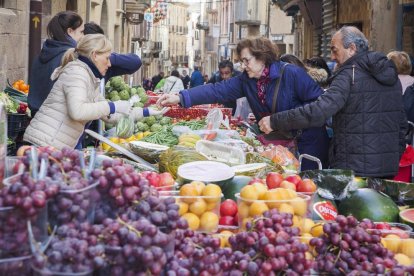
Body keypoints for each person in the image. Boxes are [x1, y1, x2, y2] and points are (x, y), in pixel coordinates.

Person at [158, 37, 329, 170]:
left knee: (308, 189)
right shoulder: (247, 80)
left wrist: (277, 120)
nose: (243, 65)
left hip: (309, 144)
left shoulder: (292, 74)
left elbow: (318, 107)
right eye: (241, 61)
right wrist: (181, 97)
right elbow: (217, 90)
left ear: (262, 57)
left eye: (247, 60)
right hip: (283, 145)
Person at [259, 26, 407, 178]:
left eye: (335, 50)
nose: (332, 57)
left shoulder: (349, 75)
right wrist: (392, 157)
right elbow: (402, 123)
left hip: (354, 170)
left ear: (352, 48)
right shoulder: (390, 76)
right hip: (386, 168)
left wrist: (275, 121)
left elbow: (319, 111)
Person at [23, 34, 167, 150]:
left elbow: (109, 115)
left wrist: (145, 112)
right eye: (107, 58)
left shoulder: (89, 77)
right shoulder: (77, 73)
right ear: (94, 55)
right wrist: (113, 105)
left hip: (53, 146)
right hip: (43, 145)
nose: (110, 64)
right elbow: (78, 111)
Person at [28, 11, 84, 118]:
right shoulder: (70, 56)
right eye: (81, 32)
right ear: (70, 31)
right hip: (56, 121)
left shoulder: (42, 53)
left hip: (37, 117)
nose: (83, 36)